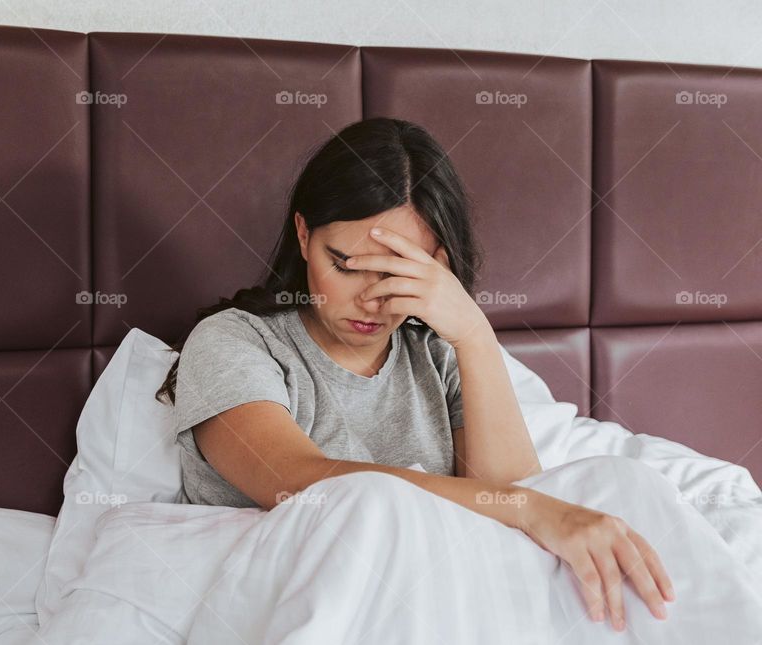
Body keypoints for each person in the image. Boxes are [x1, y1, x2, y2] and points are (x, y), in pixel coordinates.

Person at [155, 117, 674, 633]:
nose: (371, 298)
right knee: (375, 500)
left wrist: (474, 334)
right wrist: (527, 506)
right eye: (347, 265)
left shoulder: (435, 354)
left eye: (398, 273)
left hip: (447, 606)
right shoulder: (234, 342)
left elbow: (516, 508)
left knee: (625, 482)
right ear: (304, 234)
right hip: (307, 607)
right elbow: (302, 484)